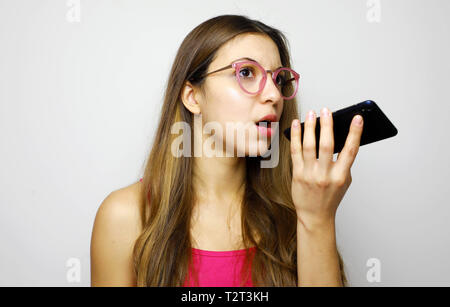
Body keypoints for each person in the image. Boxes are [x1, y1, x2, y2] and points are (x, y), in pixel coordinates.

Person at [90, 14, 363, 287]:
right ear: (192, 97)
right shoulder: (124, 215)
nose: (274, 95)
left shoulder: (298, 209)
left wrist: (317, 219)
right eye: (246, 72)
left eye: (279, 80)